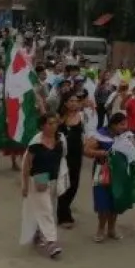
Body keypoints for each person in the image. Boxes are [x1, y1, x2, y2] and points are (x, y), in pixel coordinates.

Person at [20, 112, 67, 260]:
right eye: (50, 123)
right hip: (39, 180)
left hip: (53, 179)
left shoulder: (60, 140)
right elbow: (27, 165)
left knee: (47, 208)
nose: (53, 126)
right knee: (46, 210)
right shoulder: (36, 143)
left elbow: (62, 158)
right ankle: (52, 242)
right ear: (42, 126)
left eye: (55, 123)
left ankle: (38, 232)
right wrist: (25, 185)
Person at [85, 112, 131, 243]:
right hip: (102, 172)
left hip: (119, 173)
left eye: (125, 124)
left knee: (115, 201)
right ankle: (100, 229)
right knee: (102, 201)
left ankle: (111, 229)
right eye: (122, 124)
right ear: (113, 124)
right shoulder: (99, 135)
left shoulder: (124, 136)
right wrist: (102, 153)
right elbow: (87, 150)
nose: (125, 127)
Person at [57, 94, 85, 228]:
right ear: (66, 103)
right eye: (71, 100)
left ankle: (64, 210)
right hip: (62, 156)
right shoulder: (60, 119)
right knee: (64, 183)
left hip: (77, 155)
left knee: (74, 184)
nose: (74, 103)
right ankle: (63, 216)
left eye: (76, 101)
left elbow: (87, 135)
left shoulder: (82, 117)